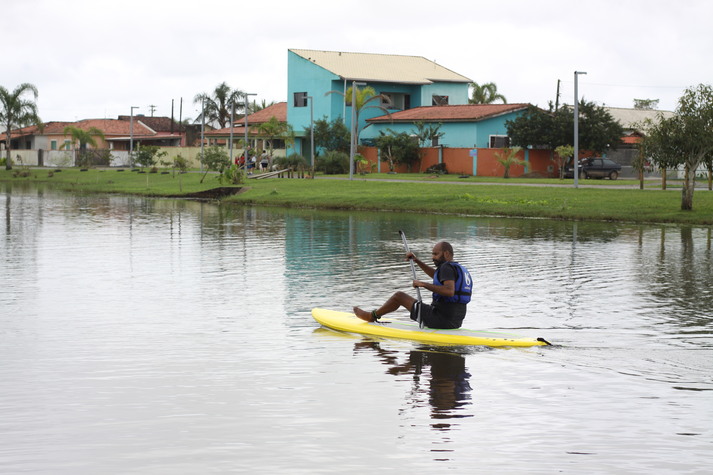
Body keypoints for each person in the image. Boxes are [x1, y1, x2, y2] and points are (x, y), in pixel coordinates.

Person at [353, 241, 472, 329]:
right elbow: (437, 276)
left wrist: (423, 284)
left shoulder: (446, 267)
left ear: (446, 254)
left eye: (436, 254)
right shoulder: (457, 268)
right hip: (456, 322)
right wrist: (417, 261)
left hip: (440, 319)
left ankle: (372, 316)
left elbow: (449, 291)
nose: (433, 257)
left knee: (399, 296)